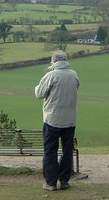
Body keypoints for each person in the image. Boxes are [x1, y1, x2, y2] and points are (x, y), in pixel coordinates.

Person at [34, 50, 80, 191]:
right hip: (70, 120)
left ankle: (51, 182)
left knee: (50, 151)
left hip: (52, 119)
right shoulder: (74, 75)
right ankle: (64, 180)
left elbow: (39, 94)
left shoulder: (50, 76)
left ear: (54, 61)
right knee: (67, 151)